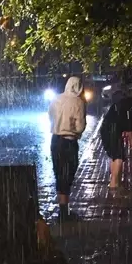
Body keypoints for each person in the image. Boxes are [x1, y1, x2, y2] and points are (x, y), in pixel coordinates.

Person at [48, 76, 86, 218]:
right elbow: (80, 126)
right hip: (69, 142)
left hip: (55, 141)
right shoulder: (78, 102)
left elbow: (50, 116)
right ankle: (64, 210)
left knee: (59, 172)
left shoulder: (56, 99)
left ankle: (63, 208)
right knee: (68, 172)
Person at [101, 87, 132, 190]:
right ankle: (114, 184)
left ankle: (114, 182)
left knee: (114, 155)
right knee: (119, 156)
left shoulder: (126, 101)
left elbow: (124, 120)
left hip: (106, 128)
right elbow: (128, 124)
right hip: (113, 129)